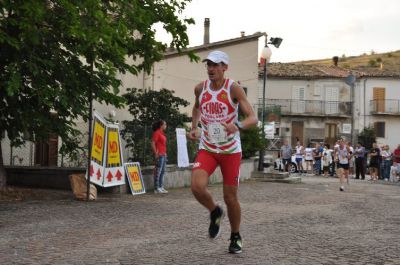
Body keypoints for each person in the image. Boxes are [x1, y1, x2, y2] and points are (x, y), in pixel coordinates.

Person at [188, 50, 257, 254]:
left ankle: (235, 235)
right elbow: (196, 108)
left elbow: (253, 118)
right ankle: (215, 211)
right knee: (197, 187)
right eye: (208, 65)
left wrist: (238, 125)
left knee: (230, 197)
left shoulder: (233, 89)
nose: (211, 69)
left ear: (225, 68)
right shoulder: (200, 88)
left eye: (215, 65)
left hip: (230, 151)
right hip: (208, 147)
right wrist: (194, 127)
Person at [151, 120, 168, 194]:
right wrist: (155, 153)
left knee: (162, 172)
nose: (166, 126)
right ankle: (156, 188)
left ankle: (161, 187)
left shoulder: (162, 133)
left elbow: (163, 144)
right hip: (159, 155)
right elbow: (152, 143)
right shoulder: (156, 133)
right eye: (165, 124)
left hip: (163, 154)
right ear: (161, 125)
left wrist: (165, 153)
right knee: (158, 172)